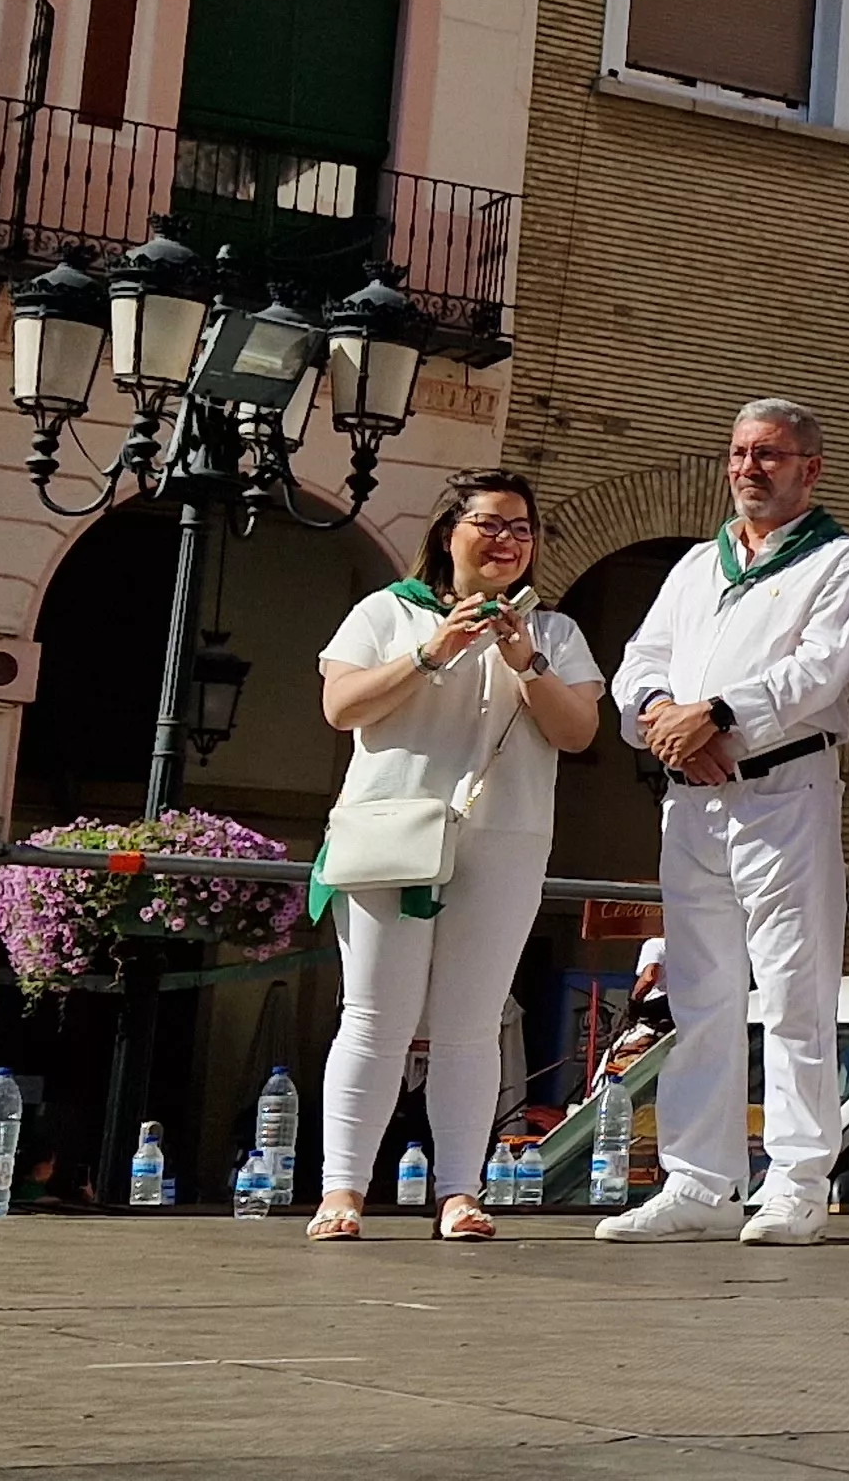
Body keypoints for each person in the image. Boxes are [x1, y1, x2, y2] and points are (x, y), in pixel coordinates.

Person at [601, 401, 849, 1246]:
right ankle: (699, 1179)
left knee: (795, 991)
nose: (750, 468)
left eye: (771, 455)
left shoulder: (840, 560)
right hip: (691, 799)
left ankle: (796, 1179)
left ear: (810, 468)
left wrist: (717, 715)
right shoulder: (696, 564)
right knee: (699, 992)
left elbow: (821, 673)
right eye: (740, 454)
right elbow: (641, 663)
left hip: (783, 796)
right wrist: (662, 718)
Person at [308, 470, 606, 1242]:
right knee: (375, 1016)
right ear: (450, 533)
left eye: (521, 529)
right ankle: (343, 1190)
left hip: (503, 838)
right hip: (391, 832)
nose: (506, 541)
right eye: (489, 524)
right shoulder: (386, 612)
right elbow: (342, 707)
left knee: (471, 1023)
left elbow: (577, 734)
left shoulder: (556, 633)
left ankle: (459, 1191)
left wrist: (525, 660)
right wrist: (433, 652)